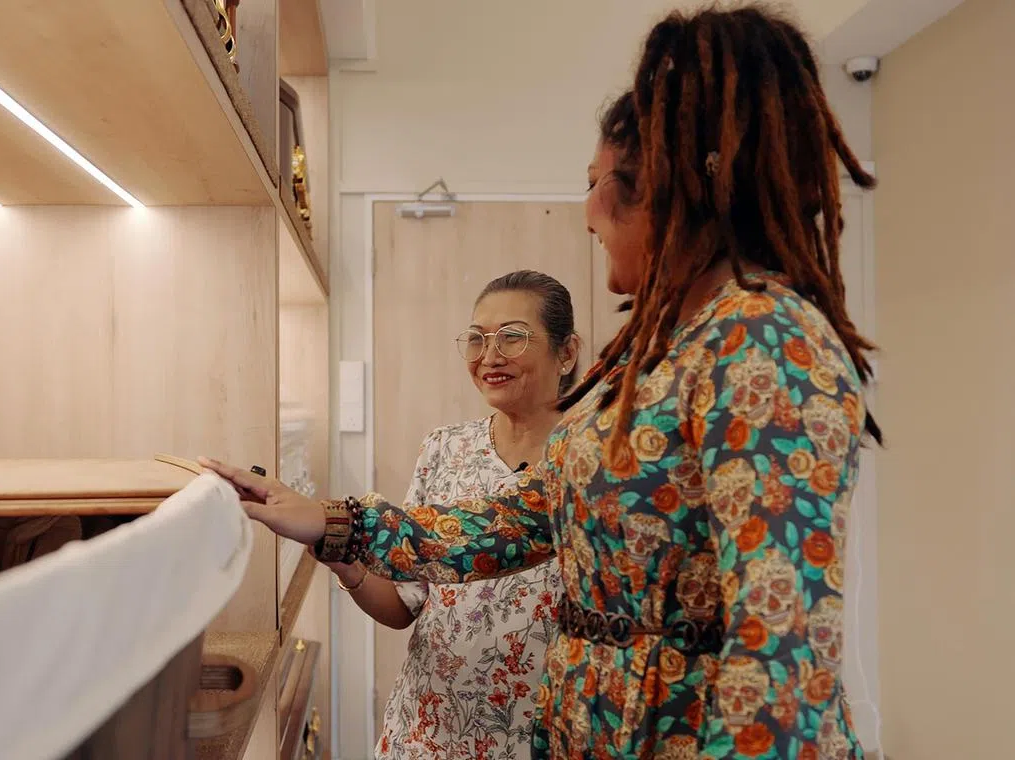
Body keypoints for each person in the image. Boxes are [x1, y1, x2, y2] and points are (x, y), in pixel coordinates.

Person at [201, 5, 879, 758]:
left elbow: (780, 658)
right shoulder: (659, 353)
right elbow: (516, 523)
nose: (587, 212)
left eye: (600, 185)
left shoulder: (763, 340)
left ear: (671, 186)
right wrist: (333, 523)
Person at [325, 270, 579, 760]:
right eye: (477, 339)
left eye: (512, 337)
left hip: (541, 740)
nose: (489, 356)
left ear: (566, 353)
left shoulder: (593, 457)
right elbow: (404, 605)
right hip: (426, 737)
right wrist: (343, 557)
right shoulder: (445, 448)